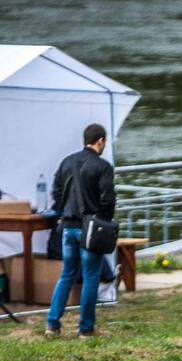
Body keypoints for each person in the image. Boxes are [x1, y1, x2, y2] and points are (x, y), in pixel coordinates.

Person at [45, 123, 116, 338]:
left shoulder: (67, 162)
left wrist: (63, 210)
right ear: (100, 140)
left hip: (68, 226)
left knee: (66, 275)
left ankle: (52, 324)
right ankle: (86, 328)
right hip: (90, 229)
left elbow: (56, 192)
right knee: (91, 277)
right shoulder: (103, 167)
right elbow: (108, 199)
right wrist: (105, 220)